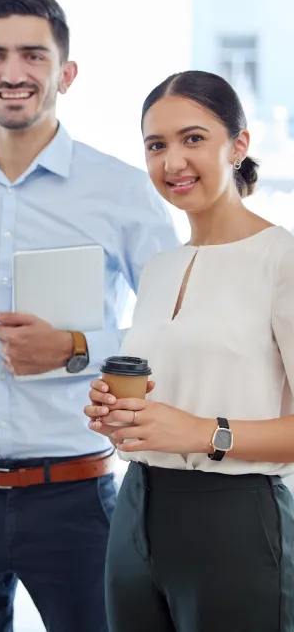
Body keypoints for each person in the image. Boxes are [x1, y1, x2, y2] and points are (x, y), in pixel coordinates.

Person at [0, 0, 180, 632]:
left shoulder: (121, 189)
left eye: (33, 55)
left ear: (65, 73)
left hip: (76, 497)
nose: (13, 73)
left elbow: (175, 329)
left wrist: (73, 346)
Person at [85, 70, 294, 632]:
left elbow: (195, 424)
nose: (172, 161)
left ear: (239, 145)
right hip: (135, 513)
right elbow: (169, 398)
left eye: (193, 138)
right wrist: (117, 414)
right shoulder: (158, 268)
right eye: (157, 145)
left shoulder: (281, 259)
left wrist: (202, 431)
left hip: (236, 522)